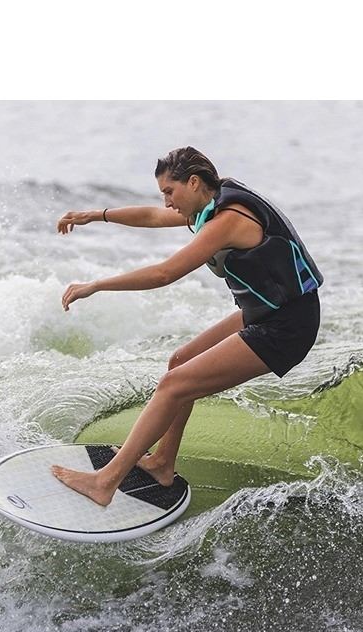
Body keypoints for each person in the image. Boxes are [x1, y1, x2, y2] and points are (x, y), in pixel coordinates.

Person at [50, 146, 323, 507]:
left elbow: (165, 274)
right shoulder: (210, 201)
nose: (166, 202)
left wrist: (97, 285)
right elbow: (152, 216)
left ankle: (105, 482)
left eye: (169, 191)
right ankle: (162, 463)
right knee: (180, 362)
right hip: (267, 310)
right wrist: (95, 215)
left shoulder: (228, 221)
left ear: (193, 182)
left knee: (173, 386)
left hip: (287, 325)